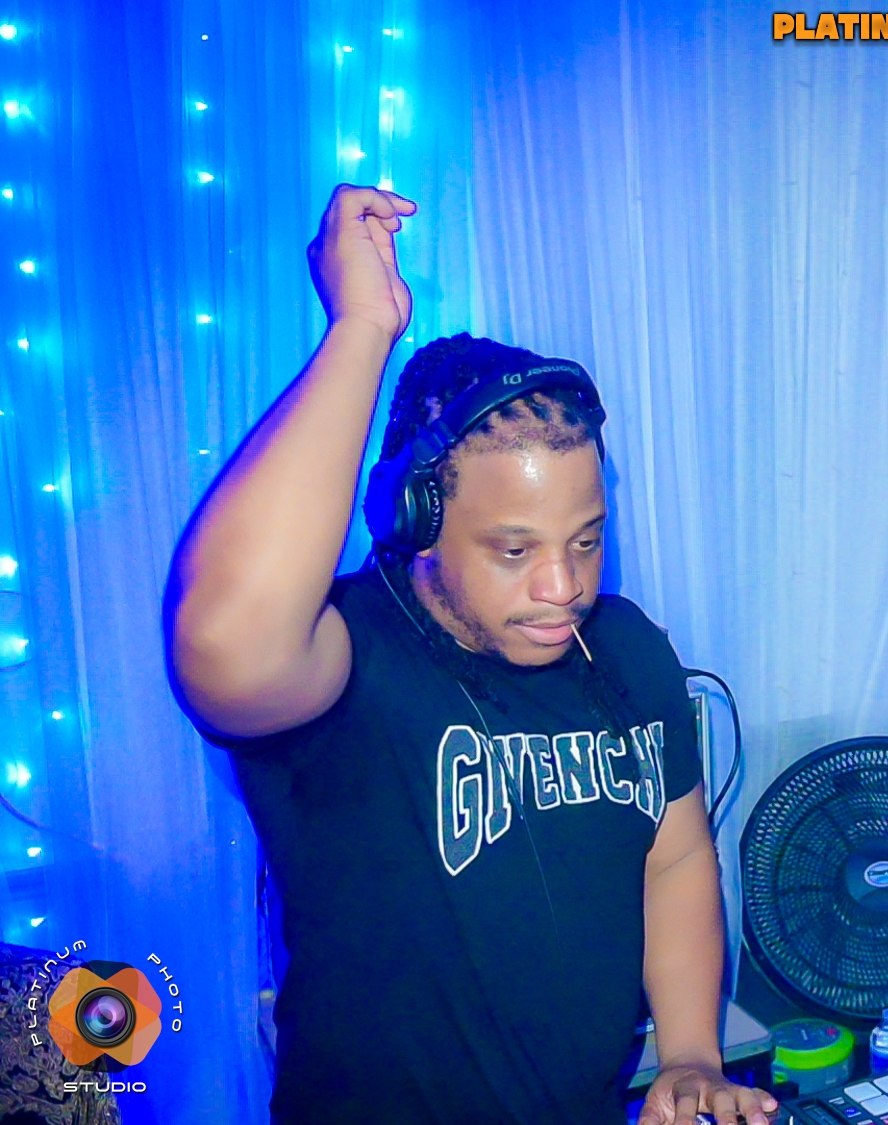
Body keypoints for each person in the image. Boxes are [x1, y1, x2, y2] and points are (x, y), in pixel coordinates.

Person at [165, 186, 773, 1125]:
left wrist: (690, 1052)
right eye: (514, 549)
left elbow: (675, 858)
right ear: (414, 521)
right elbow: (218, 642)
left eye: (586, 539)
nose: (563, 585)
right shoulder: (346, 658)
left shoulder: (625, 648)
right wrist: (360, 330)